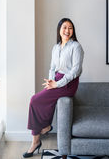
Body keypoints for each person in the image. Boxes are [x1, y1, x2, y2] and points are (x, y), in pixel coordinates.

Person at [23, 18, 84, 158]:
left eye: (70, 28)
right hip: (56, 79)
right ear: (59, 30)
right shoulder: (56, 47)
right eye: (64, 27)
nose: (67, 30)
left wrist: (58, 84)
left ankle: (36, 141)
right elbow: (52, 68)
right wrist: (51, 80)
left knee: (34, 99)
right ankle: (46, 128)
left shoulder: (76, 47)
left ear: (73, 31)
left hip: (69, 83)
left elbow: (76, 71)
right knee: (40, 101)